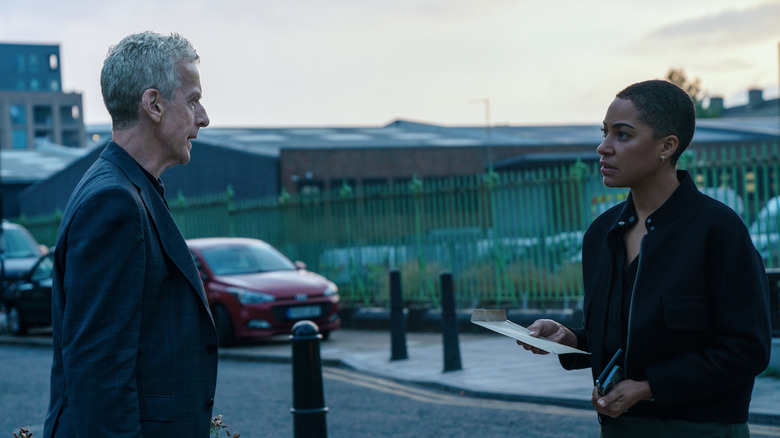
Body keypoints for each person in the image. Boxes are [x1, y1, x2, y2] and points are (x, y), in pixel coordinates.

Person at [518, 80, 772, 437]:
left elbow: (748, 349)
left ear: (667, 146)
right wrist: (569, 339)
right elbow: (624, 336)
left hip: (701, 430)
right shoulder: (600, 235)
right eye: (605, 133)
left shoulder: (717, 230)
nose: (603, 147)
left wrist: (649, 387)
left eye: (622, 135)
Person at [43, 32, 218, 437]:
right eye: (192, 100)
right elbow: (99, 378)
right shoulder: (114, 202)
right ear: (153, 104)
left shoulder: (127, 188)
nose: (204, 116)